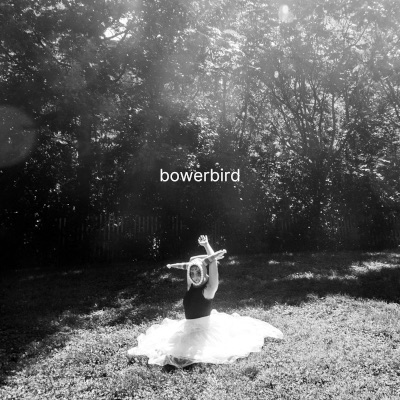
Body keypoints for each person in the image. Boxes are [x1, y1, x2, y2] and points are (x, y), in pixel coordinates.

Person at [127, 235, 283, 368]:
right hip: (187, 327)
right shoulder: (190, 286)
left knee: (188, 354)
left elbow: (212, 264)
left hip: (203, 330)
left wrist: (208, 247)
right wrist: (206, 257)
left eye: (198, 272)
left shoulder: (209, 289)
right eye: (192, 273)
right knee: (165, 348)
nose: (194, 276)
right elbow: (192, 260)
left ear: (204, 272)